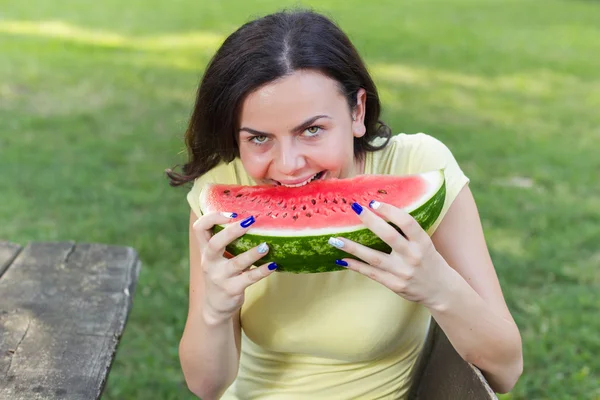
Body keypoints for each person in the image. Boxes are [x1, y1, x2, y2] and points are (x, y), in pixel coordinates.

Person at [167, 9, 523, 400]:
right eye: (258, 139)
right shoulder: (221, 190)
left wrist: (438, 287)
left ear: (357, 112)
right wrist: (215, 312)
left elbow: (506, 370)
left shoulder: (420, 165)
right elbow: (205, 386)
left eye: (312, 130)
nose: (288, 165)